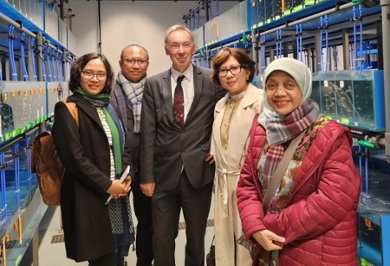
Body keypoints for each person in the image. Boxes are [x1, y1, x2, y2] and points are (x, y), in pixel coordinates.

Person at [236, 57, 360, 266]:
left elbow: (333, 199)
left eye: (289, 85)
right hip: (269, 249)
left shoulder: (330, 135)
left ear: (304, 87)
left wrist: (268, 227)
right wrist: (254, 227)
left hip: (317, 251)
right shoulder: (262, 129)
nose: (279, 93)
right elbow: (247, 185)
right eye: (272, 85)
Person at [139, 24, 225, 266]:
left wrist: (215, 147)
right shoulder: (154, 84)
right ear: (167, 50)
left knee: (196, 237)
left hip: (199, 172)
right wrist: (146, 175)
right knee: (162, 238)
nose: (181, 50)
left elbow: (222, 118)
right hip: (162, 174)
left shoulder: (212, 80)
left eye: (186, 44)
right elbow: (148, 132)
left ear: (194, 48)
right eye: (175, 45)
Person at [52, 53, 135, 266]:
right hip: (88, 197)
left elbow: (122, 143)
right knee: (101, 258)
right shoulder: (67, 108)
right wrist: (107, 185)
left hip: (116, 195)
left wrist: (127, 177)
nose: (95, 78)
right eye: (88, 72)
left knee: (116, 255)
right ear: (78, 75)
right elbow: (75, 159)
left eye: (101, 74)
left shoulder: (107, 106)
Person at [210, 47, 263, 266]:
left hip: (249, 184)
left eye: (234, 68)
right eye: (223, 70)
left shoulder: (261, 101)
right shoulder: (220, 104)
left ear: (248, 71)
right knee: (224, 241)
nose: (229, 75)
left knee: (247, 243)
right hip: (223, 182)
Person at [111, 44, 154, 266]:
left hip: (148, 165)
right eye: (130, 60)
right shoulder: (108, 91)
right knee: (115, 221)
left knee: (148, 221)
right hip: (116, 168)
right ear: (120, 63)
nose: (135, 65)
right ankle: (118, 260)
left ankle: (144, 262)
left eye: (140, 61)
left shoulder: (155, 89)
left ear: (147, 64)